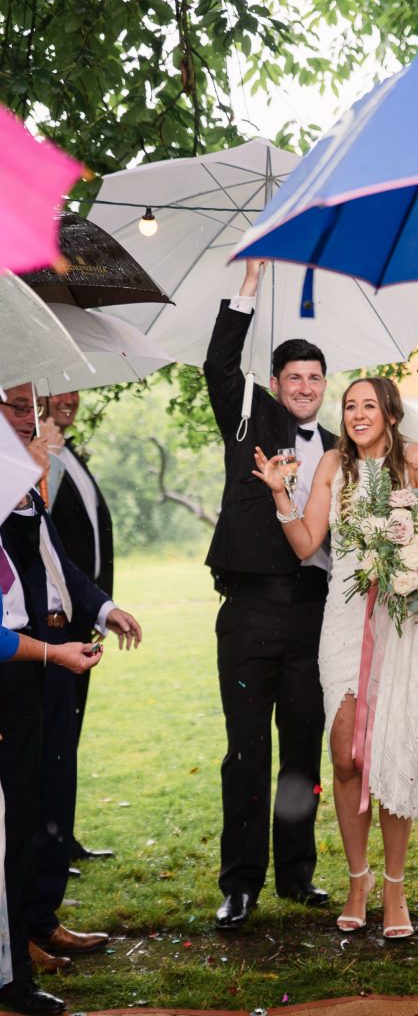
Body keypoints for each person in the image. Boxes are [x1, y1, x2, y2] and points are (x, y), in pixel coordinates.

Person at [254, 375, 418, 938]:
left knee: (394, 750)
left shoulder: (417, 459)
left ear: (391, 414)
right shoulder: (331, 467)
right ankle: (357, 878)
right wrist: (280, 494)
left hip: (405, 620)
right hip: (345, 618)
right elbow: (306, 544)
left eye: (368, 405)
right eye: (349, 406)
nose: (356, 414)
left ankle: (395, 889)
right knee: (345, 751)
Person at [204, 260, 336, 931]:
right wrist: (248, 288)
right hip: (249, 614)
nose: (306, 387)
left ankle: (299, 875)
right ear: (279, 387)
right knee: (246, 753)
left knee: (303, 754)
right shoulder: (249, 422)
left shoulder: (344, 450)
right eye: (295, 379)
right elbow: (221, 363)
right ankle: (241, 884)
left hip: (314, 618)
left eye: (315, 378)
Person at [0, 385, 142, 977]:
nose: (31, 418)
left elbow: (61, 566)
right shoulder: (11, 483)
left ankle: (42, 917)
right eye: (17, 406)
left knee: (56, 786)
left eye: (33, 407)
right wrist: (29, 472)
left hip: (61, 645)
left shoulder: (29, 481)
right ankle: (16, 939)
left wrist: (105, 609)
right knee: (21, 802)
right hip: (23, 659)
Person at [0, 542, 103, 1015]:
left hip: (18, 677)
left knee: (16, 832)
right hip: (15, 670)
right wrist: (54, 654)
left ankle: (15, 965)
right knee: (11, 835)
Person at [45, 390, 115, 864]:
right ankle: (47, 841)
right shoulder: (38, 461)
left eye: (74, 391)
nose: (68, 399)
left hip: (82, 617)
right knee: (50, 736)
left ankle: (62, 836)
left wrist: (100, 608)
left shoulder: (71, 453)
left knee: (69, 733)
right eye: (56, 392)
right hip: (46, 624)